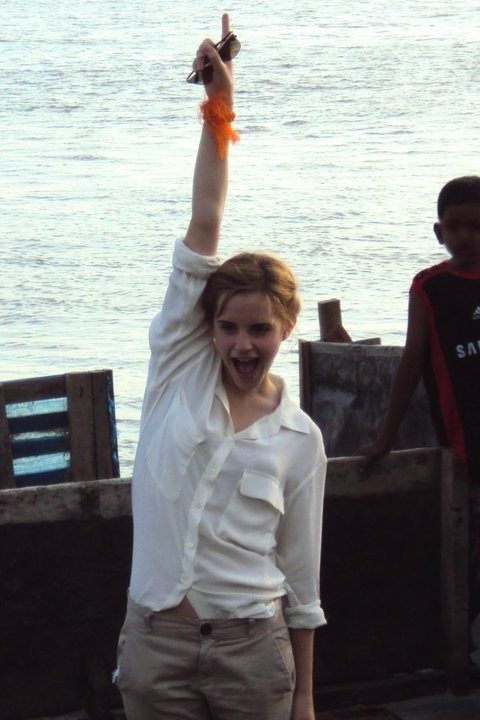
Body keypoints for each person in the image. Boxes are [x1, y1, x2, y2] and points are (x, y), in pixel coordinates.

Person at [116, 14, 327, 720]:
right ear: (205, 329)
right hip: (156, 646)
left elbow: (301, 579)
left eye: (259, 329)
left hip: (253, 652)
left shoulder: (300, 439)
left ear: (286, 330)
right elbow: (204, 224)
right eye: (228, 327)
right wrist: (220, 109)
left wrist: (304, 698)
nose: (242, 344)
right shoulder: (177, 373)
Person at [357, 175, 480, 623]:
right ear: (438, 232)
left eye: (476, 226)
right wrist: (385, 437)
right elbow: (412, 362)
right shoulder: (429, 288)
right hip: (465, 441)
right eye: (455, 226)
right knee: (466, 547)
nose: (465, 236)